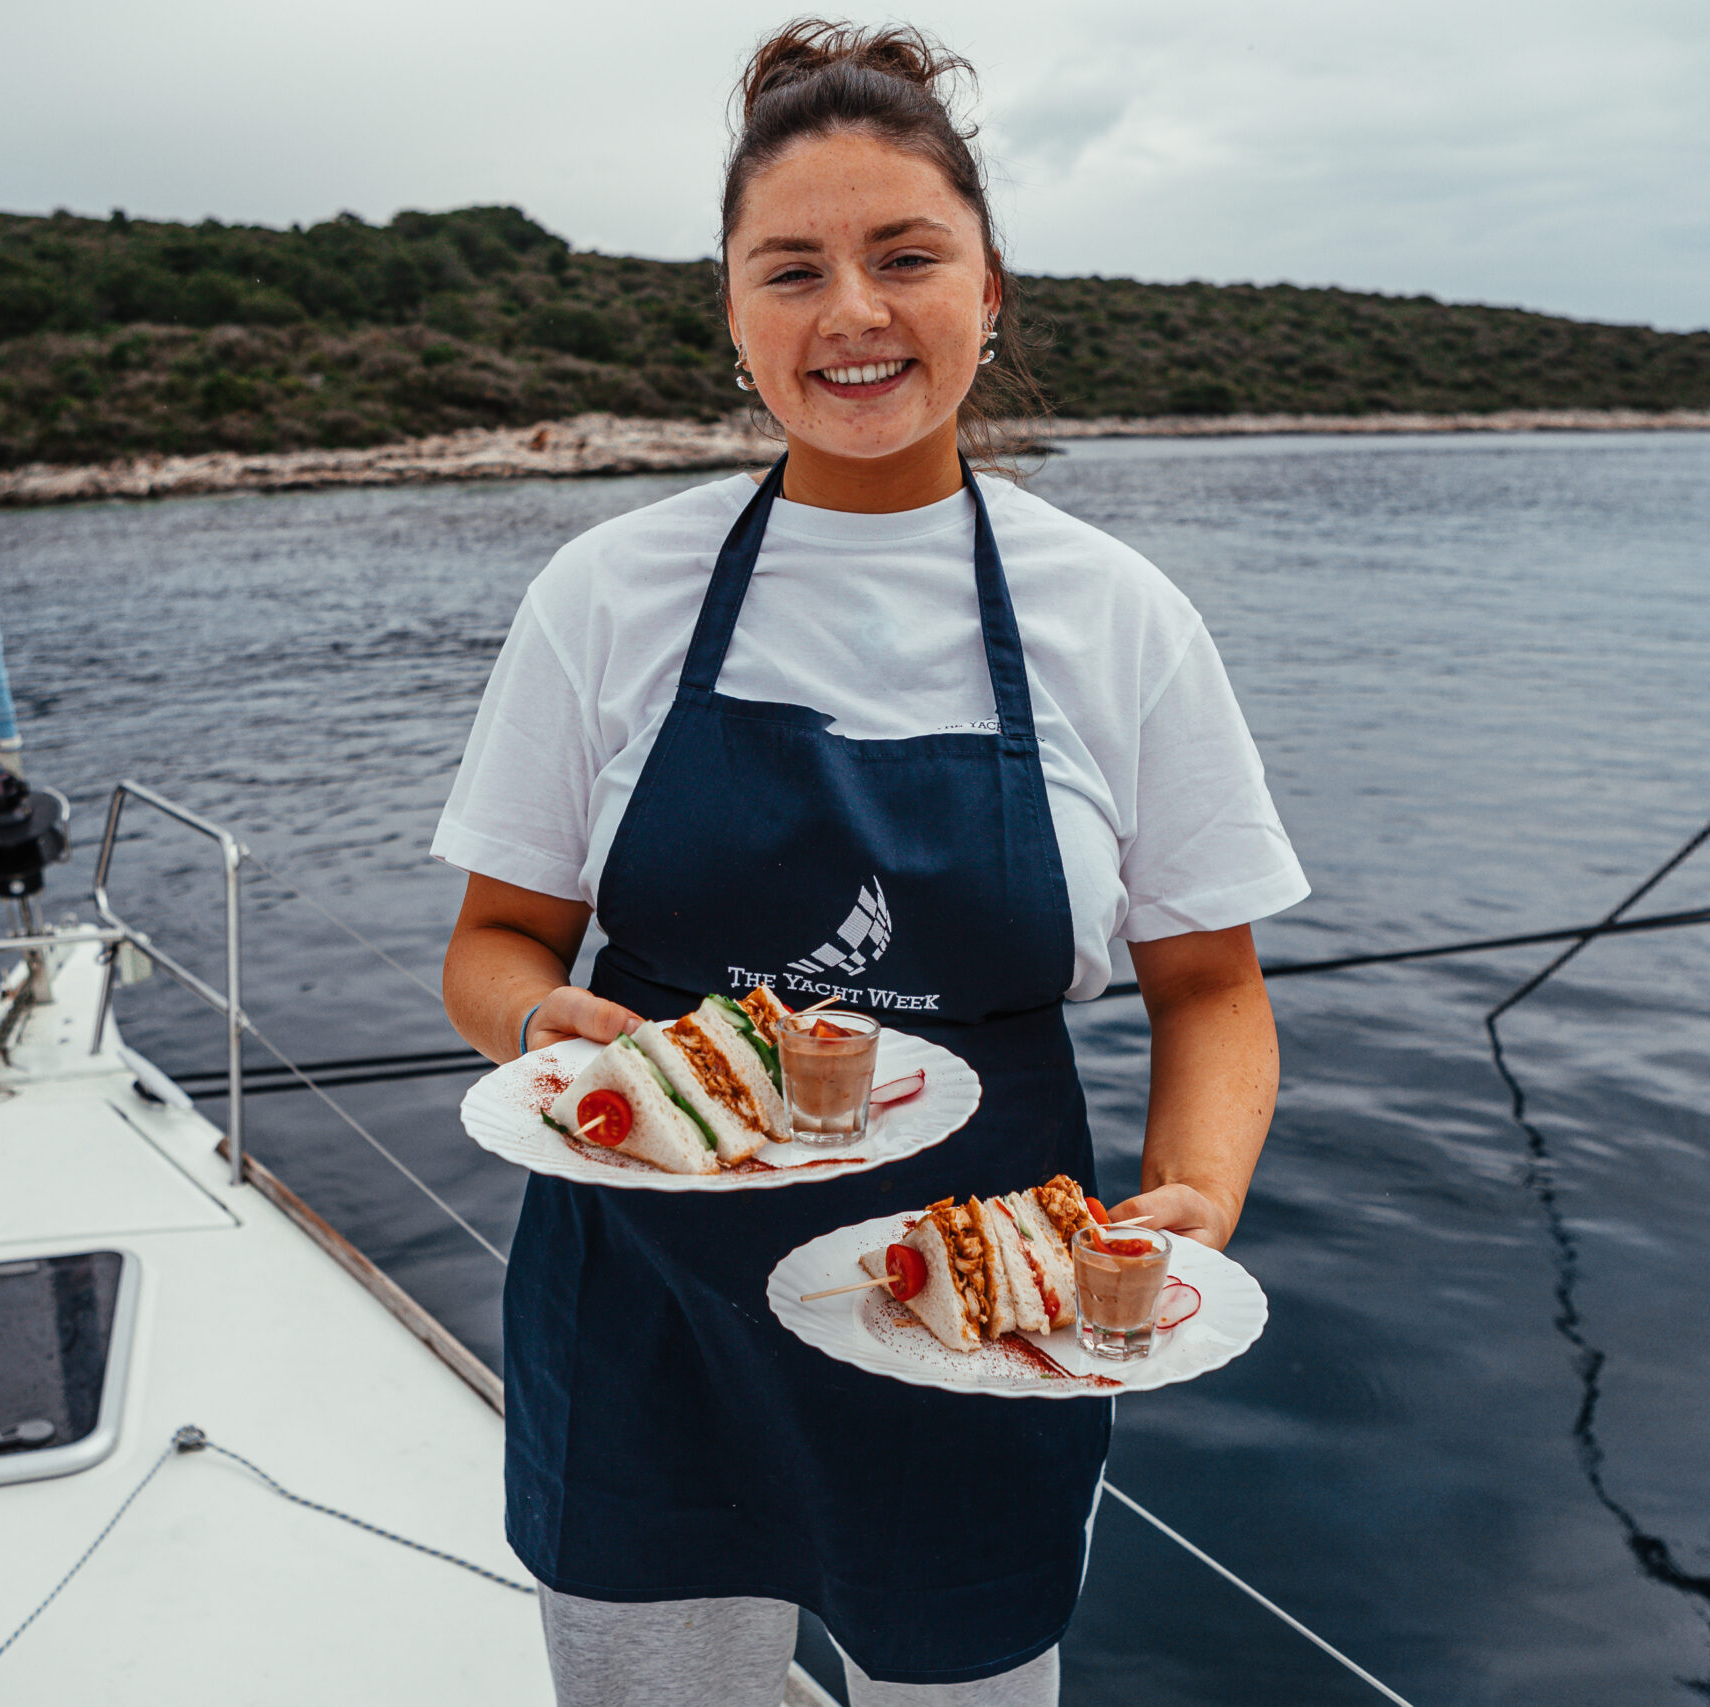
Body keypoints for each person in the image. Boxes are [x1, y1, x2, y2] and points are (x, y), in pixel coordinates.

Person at [432, 19, 1306, 1705]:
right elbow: (494, 944)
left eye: (907, 256)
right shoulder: (609, 594)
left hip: (980, 1324)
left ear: (992, 294)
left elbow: (1212, 986)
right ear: (737, 318)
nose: (852, 313)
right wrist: (550, 1038)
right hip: (647, 1324)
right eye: (792, 269)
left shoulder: (1117, 616)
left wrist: (1196, 1203)